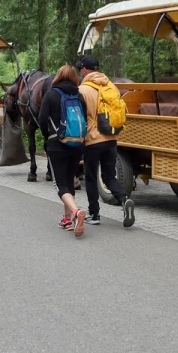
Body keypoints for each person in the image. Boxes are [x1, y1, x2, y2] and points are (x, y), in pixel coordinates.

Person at [77, 55, 136, 228]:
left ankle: (94, 214)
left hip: (93, 140)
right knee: (109, 176)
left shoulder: (83, 89)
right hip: (111, 139)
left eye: (81, 69)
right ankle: (124, 200)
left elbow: (80, 117)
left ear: (85, 70)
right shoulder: (111, 86)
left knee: (90, 177)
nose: (80, 72)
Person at [37, 65, 88, 237]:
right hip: (77, 144)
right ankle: (67, 220)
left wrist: (47, 137)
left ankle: (75, 212)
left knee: (60, 184)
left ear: (58, 76)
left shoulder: (51, 94)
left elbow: (42, 119)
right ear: (74, 78)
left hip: (57, 144)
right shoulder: (79, 96)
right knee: (69, 179)